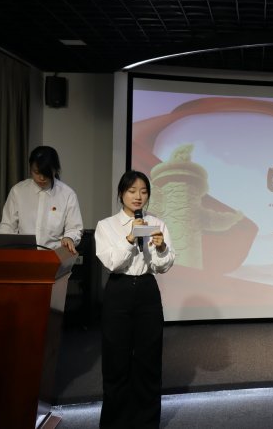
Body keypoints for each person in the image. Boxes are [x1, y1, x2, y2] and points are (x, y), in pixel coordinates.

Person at [95, 170, 175, 429]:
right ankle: (115, 423)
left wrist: (161, 247)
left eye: (143, 191)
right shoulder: (106, 226)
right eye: (132, 191)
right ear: (121, 194)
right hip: (118, 290)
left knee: (148, 360)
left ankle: (146, 422)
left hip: (147, 290)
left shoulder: (157, 223)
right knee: (116, 360)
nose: (138, 196)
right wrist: (131, 238)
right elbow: (112, 263)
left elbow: (163, 266)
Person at [0, 145, 83, 253]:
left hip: (54, 255)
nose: (41, 178)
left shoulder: (67, 194)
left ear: (55, 170)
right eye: (36, 172)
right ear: (30, 169)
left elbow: (74, 228)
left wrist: (69, 238)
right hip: (24, 255)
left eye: (46, 173)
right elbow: (8, 226)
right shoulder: (18, 191)